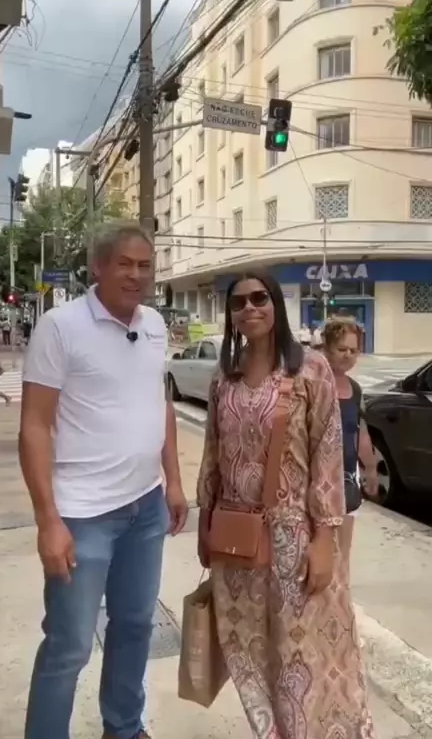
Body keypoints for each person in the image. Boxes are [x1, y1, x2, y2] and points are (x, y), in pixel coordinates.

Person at [19, 222, 188, 739]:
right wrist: (48, 521)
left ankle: (124, 727)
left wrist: (173, 481)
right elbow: (34, 425)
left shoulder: (154, 324)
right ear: (98, 267)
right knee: (69, 645)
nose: (136, 275)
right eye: (125, 264)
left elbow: (160, 404)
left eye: (145, 266)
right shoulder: (60, 326)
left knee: (135, 626)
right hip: (82, 515)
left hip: (146, 508)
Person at [196, 273, 375, 739]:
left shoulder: (310, 370)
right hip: (237, 542)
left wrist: (325, 538)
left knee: (305, 658)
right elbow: (213, 452)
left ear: (276, 303)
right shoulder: (225, 376)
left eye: (260, 298)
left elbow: (328, 455)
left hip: (296, 541)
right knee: (251, 653)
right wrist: (205, 522)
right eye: (239, 302)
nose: (249, 308)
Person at [322, 317, 379, 573]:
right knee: (319, 553)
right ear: (327, 347)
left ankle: (340, 593)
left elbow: (359, 431)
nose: (348, 355)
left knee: (342, 555)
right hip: (317, 481)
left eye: (353, 351)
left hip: (346, 480)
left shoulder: (354, 389)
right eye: (341, 349)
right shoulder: (314, 383)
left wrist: (370, 468)